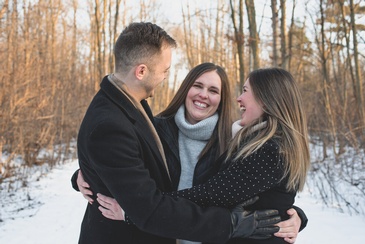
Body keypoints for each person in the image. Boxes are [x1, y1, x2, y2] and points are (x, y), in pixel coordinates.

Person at [74, 22, 282, 244]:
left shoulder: (232, 142)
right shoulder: (157, 128)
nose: (203, 95)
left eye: (213, 90)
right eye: (197, 86)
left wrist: (295, 214)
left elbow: (252, 192)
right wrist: (87, 174)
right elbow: (132, 178)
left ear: (222, 99)